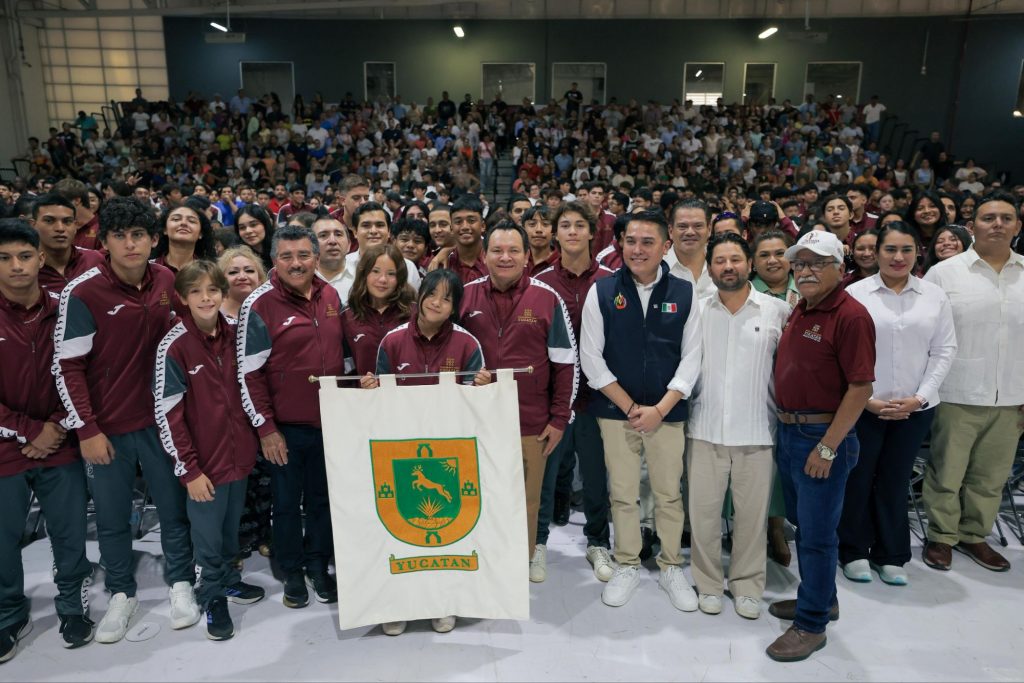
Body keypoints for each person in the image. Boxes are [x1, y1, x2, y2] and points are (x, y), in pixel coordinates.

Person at [53, 197, 198, 644]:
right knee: (113, 517)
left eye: (138, 235)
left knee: (173, 510)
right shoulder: (83, 292)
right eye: (119, 236)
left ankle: (180, 582)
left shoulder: (167, 280)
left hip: (160, 423)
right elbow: (67, 366)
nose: (130, 244)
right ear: (105, 242)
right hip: (108, 429)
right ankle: (121, 592)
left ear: (153, 239)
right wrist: (87, 428)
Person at [579, 209, 702, 610]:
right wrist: (632, 407)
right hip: (617, 413)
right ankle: (627, 562)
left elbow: (692, 358)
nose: (637, 249)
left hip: (667, 413)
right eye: (630, 241)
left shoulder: (685, 292)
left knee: (669, 494)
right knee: (623, 493)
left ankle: (671, 565)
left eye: (648, 242)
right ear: (620, 244)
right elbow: (591, 359)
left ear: (666, 246)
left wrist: (661, 409)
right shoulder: (602, 291)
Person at [767, 229, 875, 662]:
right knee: (803, 526)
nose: (805, 270)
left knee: (817, 536)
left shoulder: (851, 316)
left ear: (839, 267)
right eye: (800, 263)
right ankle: (821, 598)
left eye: (817, 263)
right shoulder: (803, 307)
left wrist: (829, 447)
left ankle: (811, 624)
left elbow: (861, 388)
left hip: (822, 437)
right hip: (790, 433)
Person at [372, 270, 490, 636]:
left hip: (449, 456)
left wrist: (482, 387)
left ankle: (444, 602)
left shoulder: (467, 344)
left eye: (447, 298)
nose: (437, 303)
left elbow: (476, 405)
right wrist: (370, 389)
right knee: (400, 534)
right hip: (401, 453)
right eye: (432, 294)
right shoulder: (392, 341)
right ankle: (398, 604)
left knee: (447, 534)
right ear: (419, 295)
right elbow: (379, 400)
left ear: (456, 307)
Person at [840, 222, 956, 586]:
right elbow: (842, 353)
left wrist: (920, 397)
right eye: (890, 249)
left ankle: (891, 554)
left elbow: (944, 350)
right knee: (858, 479)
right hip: (863, 407)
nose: (898, 257)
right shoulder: (855, 294)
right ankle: (853, 551)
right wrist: (868, 400)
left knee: (895, 480)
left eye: (906, 249)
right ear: (876, 253)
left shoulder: (934, 296)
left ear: (918, 252)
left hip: (915, 409)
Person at [153, 261, 264, 641]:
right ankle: (212, 593)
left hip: (239, 456)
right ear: (183, 298)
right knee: (207, 536)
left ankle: (229, 578)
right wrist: (189, 469)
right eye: (196, 291)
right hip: (203, 464)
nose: (206, 298)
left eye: (212, 290)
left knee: (231, 528)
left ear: (222, 293)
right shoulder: (174, 345)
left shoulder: (236, 333)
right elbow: (167, 413)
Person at [460, 219, 578, 574]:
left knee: (530, 498)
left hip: (531, 421)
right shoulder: (465, 296)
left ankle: (528, 554)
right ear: (484, 255)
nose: (505, 257)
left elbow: (566, 363)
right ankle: (485, 557)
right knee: (480, 494)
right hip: (476, 420)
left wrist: (560, 418)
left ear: (527, 256)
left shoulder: (547, 297)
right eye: (497, 250)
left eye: (513, 250)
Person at [0, 219, 93, 660]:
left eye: (24, 256)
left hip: (61, 439)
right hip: (5, 445)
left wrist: (57, 424)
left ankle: (72, 604)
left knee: (69, 530)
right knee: (2, 539)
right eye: (4, 258)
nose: (16, 266)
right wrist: (29, 429)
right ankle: (8, 613)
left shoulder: (68, 309)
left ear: (40, 258)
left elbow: (85, 374)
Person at [237, 225, 344, 608]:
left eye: (303, 255)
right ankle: (292, 572)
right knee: (284, 504)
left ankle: (317, 564)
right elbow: (247, 374)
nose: (295, 263)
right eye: (287, 256)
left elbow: (342, 354)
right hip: (284, 429)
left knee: (322, 499)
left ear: (316, 257)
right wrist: (266, 428)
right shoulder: (259, 304)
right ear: (274, 260)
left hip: (329, 422)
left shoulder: (330, 294)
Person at [920, 191, 1024, 573]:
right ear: (972, 225)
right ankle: (941, 536)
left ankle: (974, 535)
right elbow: (927, 336)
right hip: (956, 391)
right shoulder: (944, 273)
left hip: (1012, 395)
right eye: (988, 218)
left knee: (991, 477)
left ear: (1018, 226)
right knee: (946, 472)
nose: (997, 224)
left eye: (1006, 218)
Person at [688, 232, 790, 619]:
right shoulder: (696, 310)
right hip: (704, 428)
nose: (728, 267)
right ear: (710, 267)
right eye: (719, 260)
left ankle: (747, 584)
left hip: (758, 431)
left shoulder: (776, 311)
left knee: (751, 517)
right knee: (703, 516)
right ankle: (709, 583)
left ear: (750, 264)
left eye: (735, 259)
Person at [533, 201, 615, 584]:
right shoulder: (542, 282)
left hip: (598, 397)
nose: (572, 232)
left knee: (596, 476)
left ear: (592, 232)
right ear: (556, 233)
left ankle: (598, 541)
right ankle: (538, 543)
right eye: (564, 225)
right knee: (547, 475)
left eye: (579, 225)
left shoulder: (611, 280)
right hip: (555, 399)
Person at [215, 246, 272, 559]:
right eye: (233, 271)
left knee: (264, 479)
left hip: (262, 408)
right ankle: (233, 543)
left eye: (249, 270)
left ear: (260, 276)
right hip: (226, 411)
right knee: (233, 482)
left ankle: (264, 533)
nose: (242, 276)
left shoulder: (267, 310)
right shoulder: (212, 313)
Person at [342, 244, 414, 381]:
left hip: (407, 393)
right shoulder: (347, 316)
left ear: (400, 277)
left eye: (391, 274)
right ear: (364, 274)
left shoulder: (415, 314)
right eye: (375, 271)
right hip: (363, 393)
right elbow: (345, 368)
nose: (382, 280)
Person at [334, 202, 421, 304]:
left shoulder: (408, 267)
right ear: (355, 232)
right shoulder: (340, 265)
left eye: (380, 225)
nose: (373, 231)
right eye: (366, 225)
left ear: (389, 231)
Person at [30, 192, 104, 296]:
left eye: (67, 221)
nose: (60, 228)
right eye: (49, 221)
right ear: (33, 225)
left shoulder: (95, 260)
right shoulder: (26, 270)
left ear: (75, 226)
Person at [664, 199, 716, 299]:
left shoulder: (723, 266)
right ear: (670, 231)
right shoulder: (657, 269)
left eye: (698, 226)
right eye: (682, 226)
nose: (690, 232)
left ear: (709, 230)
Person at [151, 203, 217, 273]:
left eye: (191, 221)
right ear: (165, 229)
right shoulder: (148, 268)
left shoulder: (209, 273)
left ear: (200, 233)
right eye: (176, 219)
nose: (183, 223)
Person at [312, 216, 351, 293]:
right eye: (323, 235)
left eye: (338, 234)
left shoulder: (363, 276)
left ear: (349, 245)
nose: (333, 241)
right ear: (310, 245)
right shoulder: (301, 279)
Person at [234, 204, 275, 271]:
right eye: (242, 227)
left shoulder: (278, 247)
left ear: (265, 225)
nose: (248, 231)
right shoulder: (236, 257)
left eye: (253, 225)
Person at [522, 205, 559, 277]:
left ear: (554, 230)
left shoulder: (562, 262)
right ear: (523, 229)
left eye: (545, 224)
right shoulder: (518, 260)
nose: (539, 229)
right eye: (532, 224)